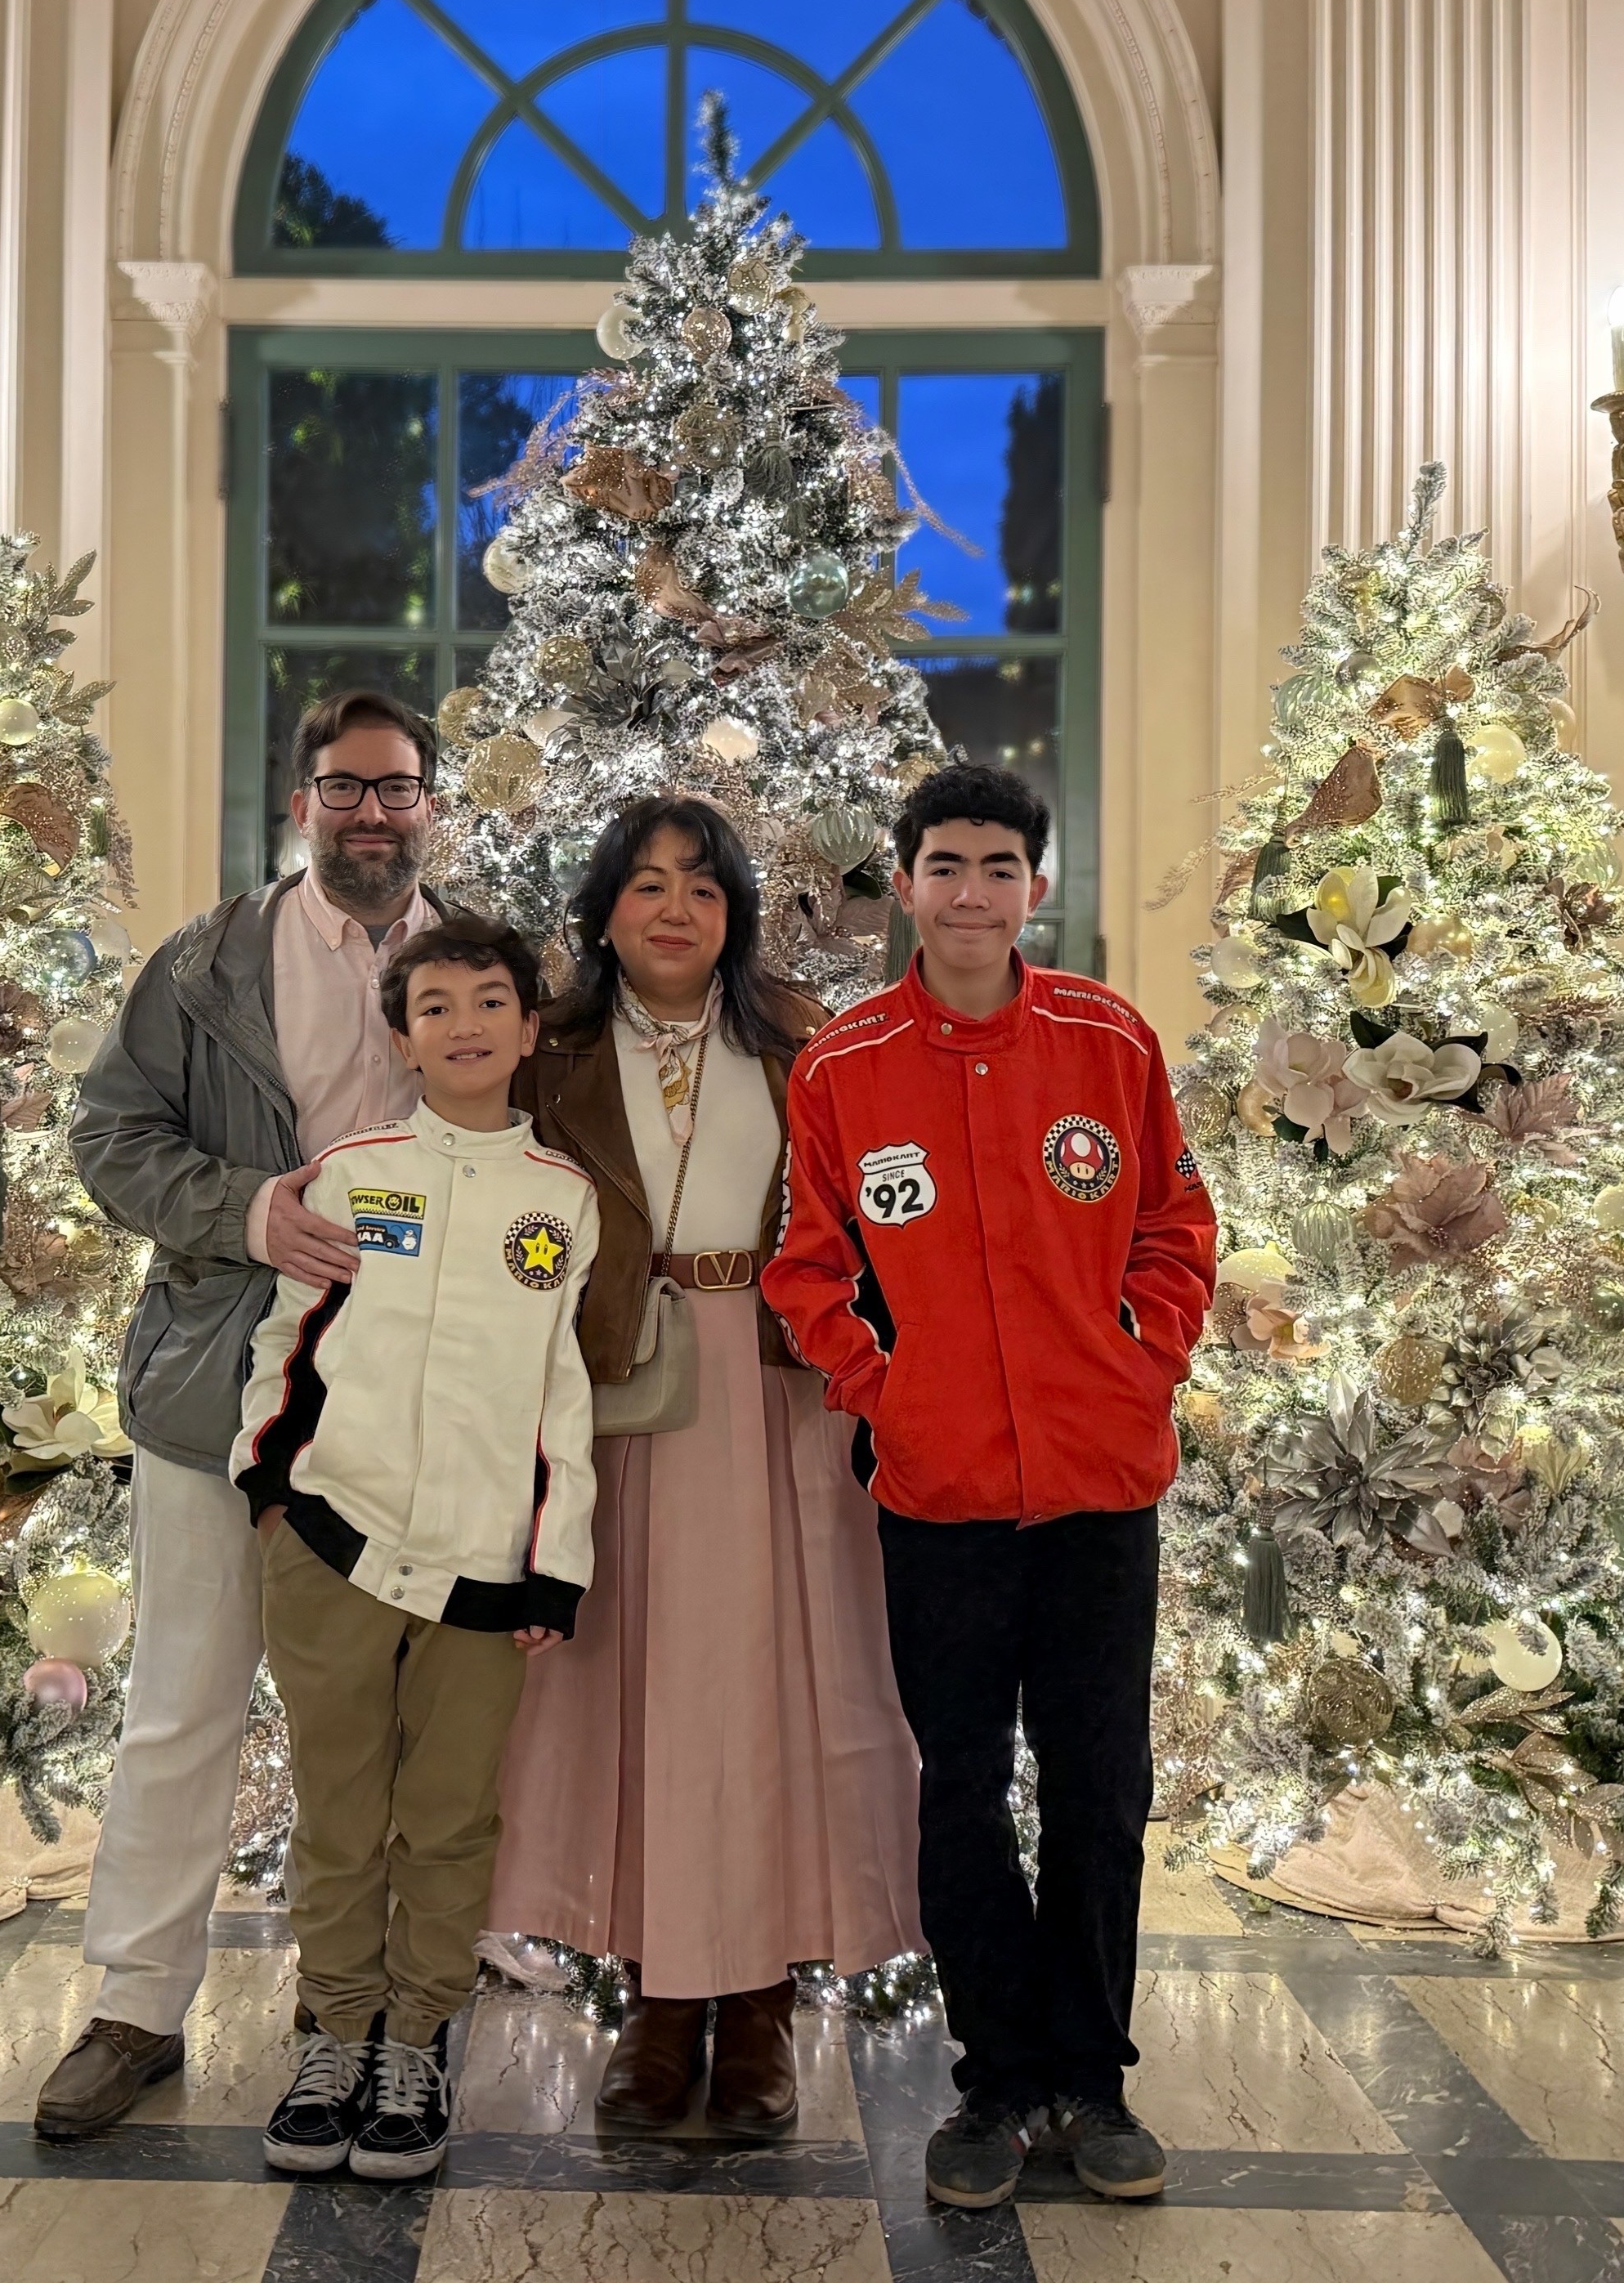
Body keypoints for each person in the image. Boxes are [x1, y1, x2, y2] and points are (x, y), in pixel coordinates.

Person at [763, 762, 1215, 2210]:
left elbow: (1174, 1221)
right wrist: (885, 1388)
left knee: (1099, 1789)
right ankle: (997, 2083)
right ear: (904, 886)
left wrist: (1142, 1354)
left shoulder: (1107, 1040)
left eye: (998, 865)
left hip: (1099, 1491)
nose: (971, 892)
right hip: (940, 1501)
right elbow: (807, 1267)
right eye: (945, 865)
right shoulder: (844, 1066)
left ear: (1036, 884)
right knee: (960, 1791)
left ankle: (1091, 2078)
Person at [41, 690, 445, 2138]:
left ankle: (396, 2003)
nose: (372, 815)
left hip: (420, 1389)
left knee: (411, 1709)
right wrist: (251, 1211)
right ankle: (136, 2007)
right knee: (186, 1695)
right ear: (302, 803)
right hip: (221, 1372)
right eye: (345, 790)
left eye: (397, 790)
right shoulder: (210, 962)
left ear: (432, 807)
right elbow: (110, 1134)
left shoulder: (479, 963)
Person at [485, 796, 922, 2133]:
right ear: (605, 909)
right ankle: (660, 2007)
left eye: (703, 888)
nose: (674, 909)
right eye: (646, 885)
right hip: (614, 1386)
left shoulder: (804, 1039)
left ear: (733, 914)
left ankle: (763, 2014)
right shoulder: (546, 1050)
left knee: (778, 1698)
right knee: (631, 1695)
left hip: (777, 1387)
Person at [235, 915, 598, 2182]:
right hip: (333, 1540)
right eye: (434, 1006)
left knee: (446, 1820)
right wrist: (272, 1489)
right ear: (402, 1037)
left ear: (529, 1029)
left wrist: (556, 1561)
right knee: (340, 1813)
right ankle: (334, 2036)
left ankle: (415, 2043)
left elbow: (563, 1397)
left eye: (489, 1001)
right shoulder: (352, 1171)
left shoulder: (561, 1204)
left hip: (482, 1568)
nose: (464, 1025)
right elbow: (292, 1336)